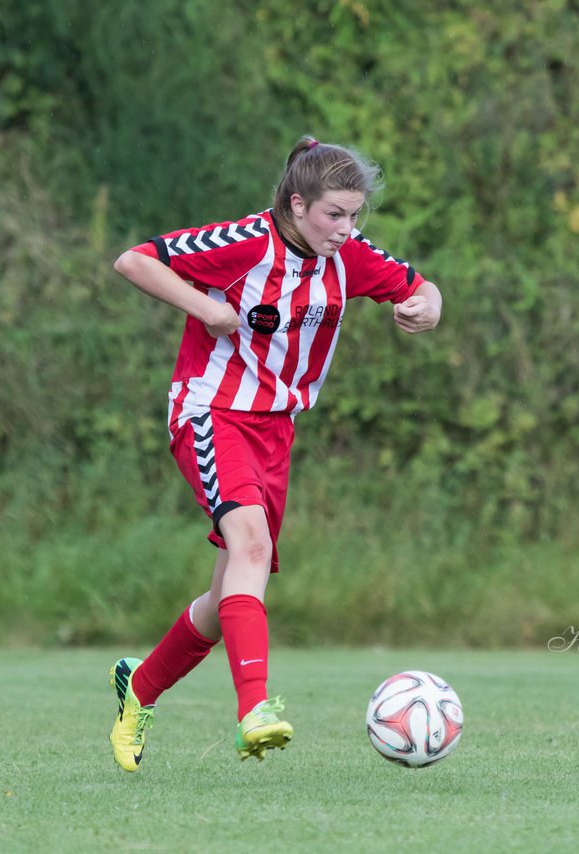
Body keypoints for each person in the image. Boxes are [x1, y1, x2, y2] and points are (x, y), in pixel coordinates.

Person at [107, 136, 443, 771]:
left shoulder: (347, 258)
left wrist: (427, 308)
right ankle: (254, 710)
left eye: (353, 215)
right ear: (297, 203)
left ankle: (139, 687)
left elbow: (422, 286)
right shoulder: (243, 243)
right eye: (333, 215)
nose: (345, 230)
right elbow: (135, 260)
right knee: (252, 548)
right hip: (210, 411)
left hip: (275, 431)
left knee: (223, 599)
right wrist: (206, 307)